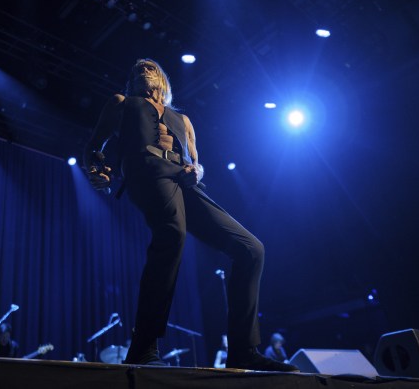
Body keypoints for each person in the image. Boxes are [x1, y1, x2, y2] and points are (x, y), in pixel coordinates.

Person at [83, 58, 298, 372]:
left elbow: (197, 163)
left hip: (181, 180)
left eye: (150, 66)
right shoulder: (122, 103)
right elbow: (93, 145)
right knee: (171, 234)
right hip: (147, 172)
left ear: (164, 81)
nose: (143, 67)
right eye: (138, 67)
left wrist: (195, 172)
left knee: (251, 249)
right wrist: (95, 167)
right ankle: (142, 348)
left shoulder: (182, 120)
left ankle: (242, 350)